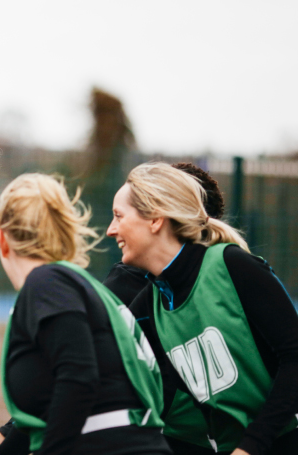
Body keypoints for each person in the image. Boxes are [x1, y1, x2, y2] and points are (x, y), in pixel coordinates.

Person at [106, 162, 298, 455]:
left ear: (155, 219)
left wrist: (251, 446)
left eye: (118, 216)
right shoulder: (151, 304)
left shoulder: (231, 265)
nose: (110, 230)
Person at [0, 173, 171, 455]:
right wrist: (3, 443)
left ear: (2, 238)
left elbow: (78, 380)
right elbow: (55, 403)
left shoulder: (47, 283)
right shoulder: (73, 285)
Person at [102, 162, 225, 454]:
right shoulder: (137, 290)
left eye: (120, 216)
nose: (111, 230)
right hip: (167, 438)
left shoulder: (232, 273)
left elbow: (296, 359)